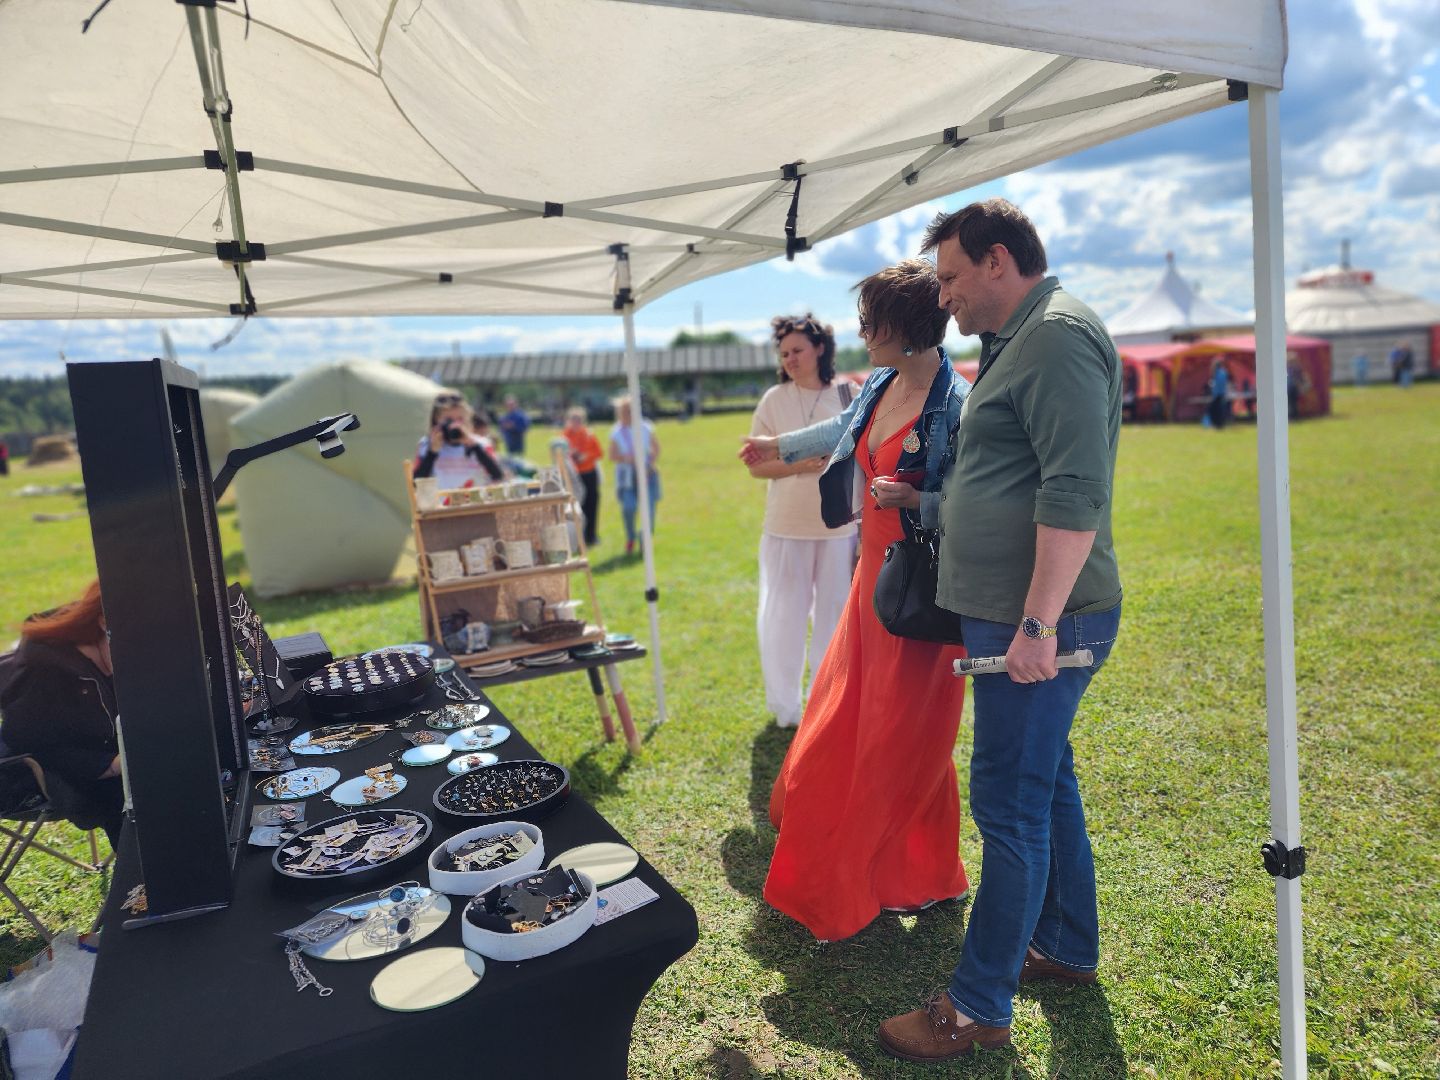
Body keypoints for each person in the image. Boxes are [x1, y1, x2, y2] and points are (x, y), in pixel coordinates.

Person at [878, 200, 1123, 1061]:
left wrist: (1036, 625)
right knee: (1045, 783)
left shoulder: (1055, 337)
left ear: (995, 261)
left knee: (1009, 808)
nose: (942, 297)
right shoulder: (1016, 339)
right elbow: (1008, 477)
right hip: (1018, 615)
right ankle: (1064, 945)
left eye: (948, 278)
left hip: (1038, 622)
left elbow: (1073, 492)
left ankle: (978, 1006)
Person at [738, 260, 970, 941]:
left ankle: (894, 875)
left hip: (919, 597)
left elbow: (972, 503)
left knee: (901, 738)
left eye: (872, 322)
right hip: (871, 584)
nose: (862, 333)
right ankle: (904, 870)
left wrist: (917, 501)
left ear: (904, 327)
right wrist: (776, 446)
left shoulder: (954, 404)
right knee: (848, 724)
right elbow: (841, 435)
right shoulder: (879, 382)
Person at [745, 314, 858, 729]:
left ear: (820, 349)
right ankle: (785, 709)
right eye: (784, 353)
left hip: (838, 528)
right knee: (782, 620)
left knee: (833, 619)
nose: (790, 359)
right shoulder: (774, 398)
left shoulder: (849, 394)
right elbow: (756, 468)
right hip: (785, 527)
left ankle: (823, 702)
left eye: (797, 350)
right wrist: (800, 465)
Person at [0, 581, 123, 849]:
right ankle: (145, 879)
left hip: (105, 751)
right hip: (38, 772)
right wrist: (110, 764)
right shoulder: (45, 668)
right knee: (128, 791)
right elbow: (29, 743)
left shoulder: (104, 656)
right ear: (105, 623)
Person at [413, 391, 505, 489]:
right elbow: (416, 483)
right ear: (436, 420)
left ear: (467, 418)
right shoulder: (426, 445)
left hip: (474, 502)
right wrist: (432, 453)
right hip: (441, 502)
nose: (455, 425)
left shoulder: (482, 444)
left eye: (460, 419)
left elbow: (498, 476)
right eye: (448, 419)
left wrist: (474, 447)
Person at [609, 396, 660, 557]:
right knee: (629, 507)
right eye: (623, 412)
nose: (626, 415)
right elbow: (612, 455)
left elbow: (656, 448)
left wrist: (650, 463)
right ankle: (630, 536)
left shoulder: (645, 427)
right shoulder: (616, 432)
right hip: (627, 476)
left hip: (647, 474)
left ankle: (645, 539)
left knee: (649, 510)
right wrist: (626, 459)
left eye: (629, 412)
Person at [562, 406, 604, 546]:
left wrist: (586, 456)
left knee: (592, 504)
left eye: (579, 420)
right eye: (573, 420)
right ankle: (578, 537)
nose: (576, 423)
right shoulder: (564, 437)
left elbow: (599, 453)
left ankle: (591, 536)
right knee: (576, 506)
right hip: (574, 475)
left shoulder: (589, 435)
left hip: (589, 472)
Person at [1207, 358, 1230, 430]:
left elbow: (1217, 385)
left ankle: (1217, 424)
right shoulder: (1223, 372)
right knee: (1219, 410)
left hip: (1218, 394)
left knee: (1213, 409)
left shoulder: (1218, 373)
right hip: (1221, 394)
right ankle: (1219, 424)